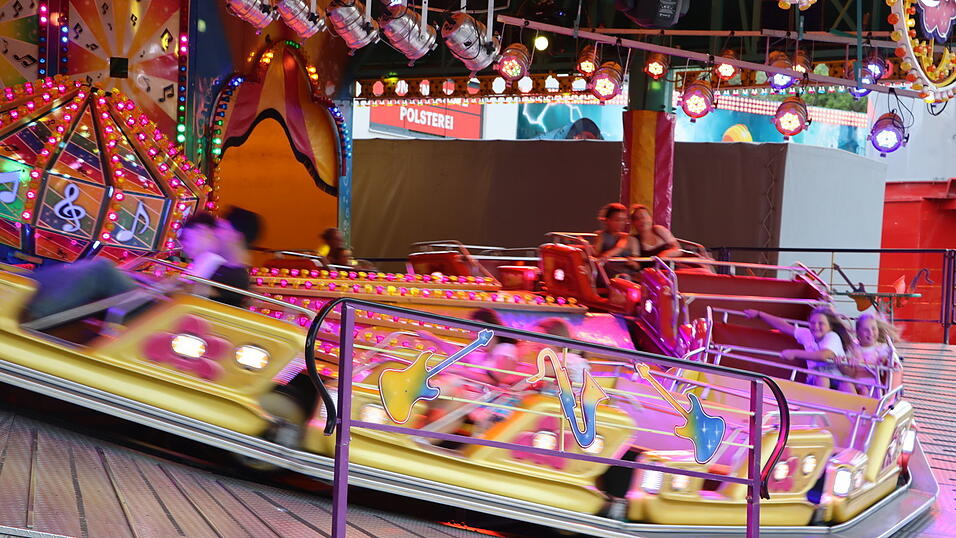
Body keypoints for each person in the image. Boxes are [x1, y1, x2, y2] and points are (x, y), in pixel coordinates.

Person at [744, 307, 853, 390]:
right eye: (813, 323)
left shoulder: (832, 336)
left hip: (837, 379)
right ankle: (818, 410)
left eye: (821, 323)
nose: (816, 326)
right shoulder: (807, 334)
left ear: (830, 327)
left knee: (847, 384)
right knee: (821, 378)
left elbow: (823, 356)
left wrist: (794, 353)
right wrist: (760, 314)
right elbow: (783, 326)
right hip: (816, 380)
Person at [841, 313, 902, 395]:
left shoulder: (882, 348)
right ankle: (853, 404)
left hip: (872, 386)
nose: (870, 333)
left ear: (877, 329)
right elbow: (848, 368)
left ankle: (861, 405)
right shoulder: (853, 347)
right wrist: (849, 363)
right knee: (844, 384)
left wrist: (882, 361)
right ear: (858, 332)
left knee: (864, 391)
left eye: (873, 329)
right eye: (866, 330)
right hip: (855, 382)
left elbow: (885, 361)